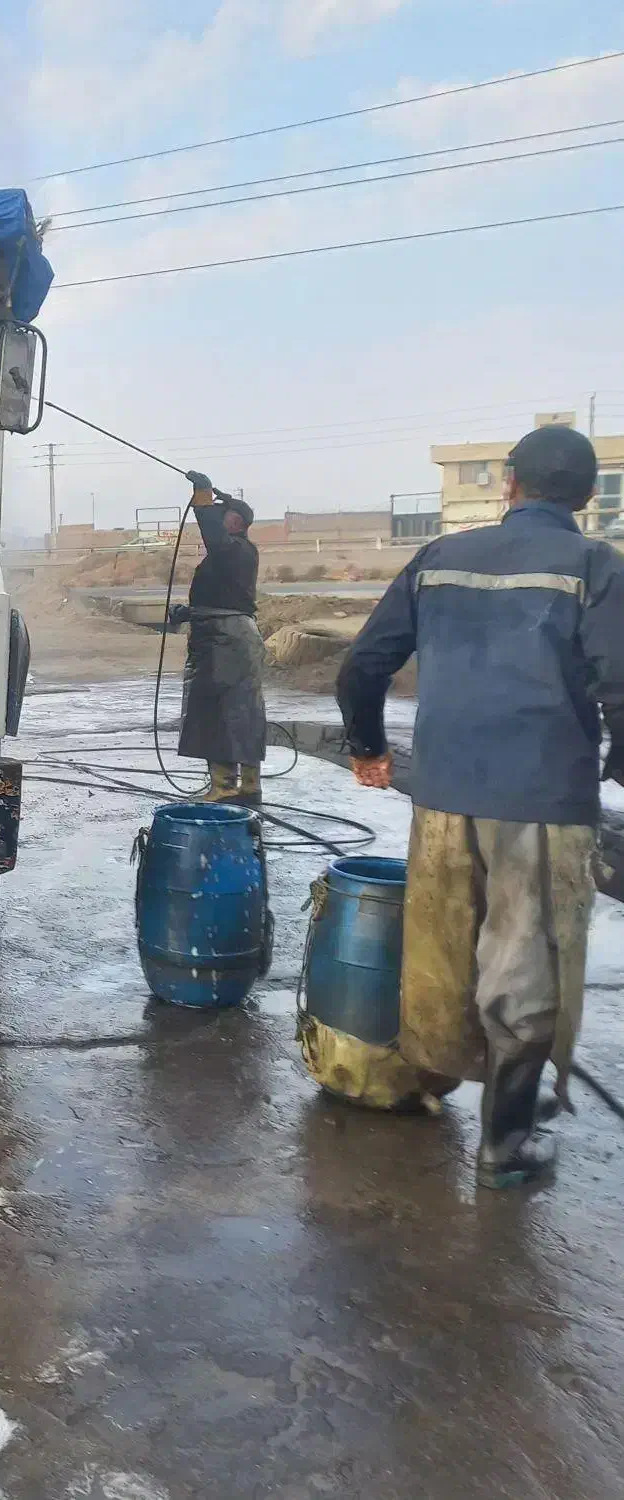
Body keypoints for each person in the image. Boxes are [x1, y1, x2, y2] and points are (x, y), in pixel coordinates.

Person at [336, 424, 624, 1188]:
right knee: (526, 967)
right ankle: (505, 1143)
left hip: (442, 797)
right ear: (585, 496)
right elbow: (622, 684)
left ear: (509, 485)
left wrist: (367, 747)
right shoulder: (595, 565)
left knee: (442, 956)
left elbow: (363, 664)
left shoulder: (439, 558)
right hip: (541, 802)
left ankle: (431, 1081)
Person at [176, 471, 266, 805]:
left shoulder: (235, 550)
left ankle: (226, 786)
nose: (219, 519)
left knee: (218, 710)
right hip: (231, 635)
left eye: (224, 515)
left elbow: (214, 536)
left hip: (225, 640)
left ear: (237, 523)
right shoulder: (235, 554)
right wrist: (189, 612)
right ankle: (248, 786)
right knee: (241, 711)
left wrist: (203, 496)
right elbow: (223, 596)